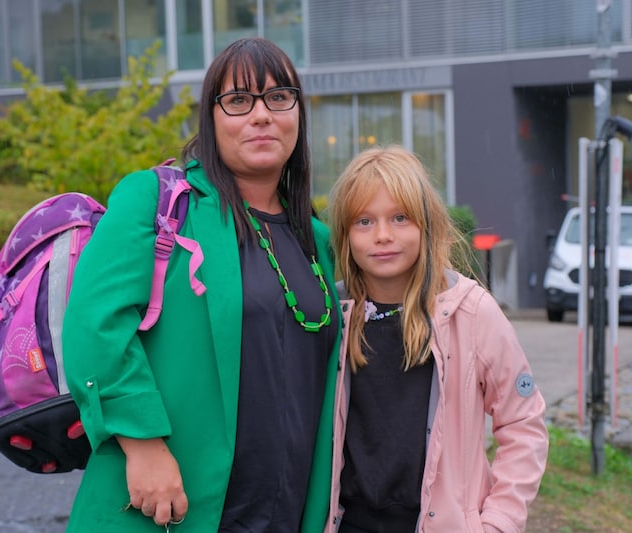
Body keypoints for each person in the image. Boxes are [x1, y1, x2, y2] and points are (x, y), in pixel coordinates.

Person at [62, 37, 342, 532]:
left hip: (287, 508)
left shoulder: (314, 239)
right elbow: (94, 325)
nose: (261, 115)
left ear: (298, 113)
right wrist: (142, 443)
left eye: (279, 97)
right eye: (238, 101)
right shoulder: (157, 201)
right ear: (211, 120)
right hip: (172, 506)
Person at [324, 145, 549, 533]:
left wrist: (499, 521)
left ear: (426, 225)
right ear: (344, 234)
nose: (382, 235)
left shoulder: (471, 313)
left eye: (399, 218)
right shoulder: (330, 312)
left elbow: (523, 422)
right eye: (364, 221)